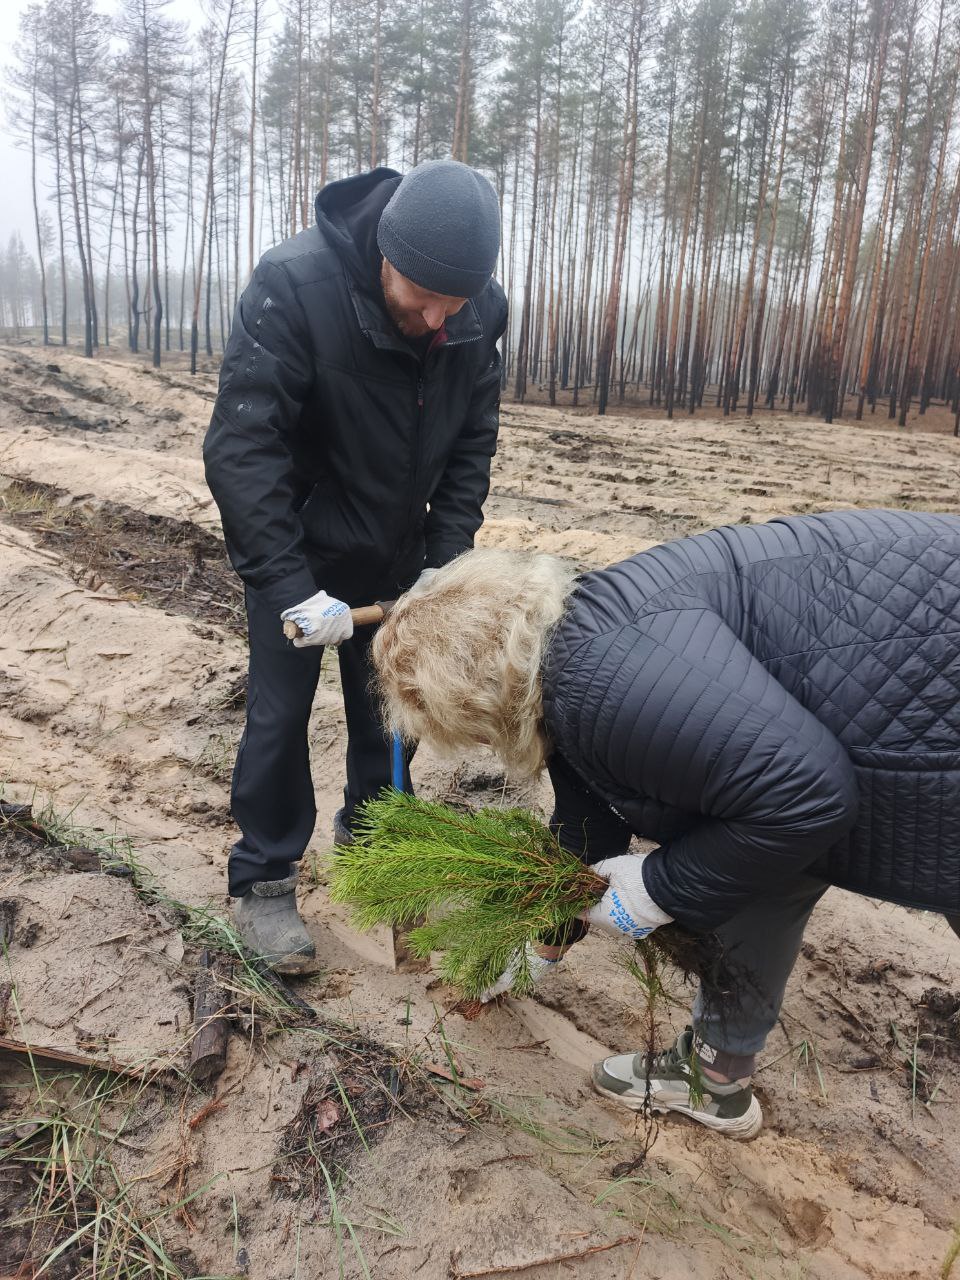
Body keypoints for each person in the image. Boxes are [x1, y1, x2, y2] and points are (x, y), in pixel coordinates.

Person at [371, 509, 960, 1138]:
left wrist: (656, 887)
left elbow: (804, 801)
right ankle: (716, 1076)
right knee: (757, 864)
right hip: (890, 695)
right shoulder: (573, 648)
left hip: (924, 696)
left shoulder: (610, 685)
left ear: (470, 700)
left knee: (761, 834)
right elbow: (587, 825)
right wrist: (529, 950)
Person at [203, 160, 508, 973]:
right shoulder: (296, 285)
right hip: (300, 551)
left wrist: (442, 573)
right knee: (279, 719)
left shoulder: (478, 317)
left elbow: (472, 446)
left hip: (401, 560)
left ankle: (378, 863)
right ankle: (265, 880)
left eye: (457, 299)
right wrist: (287, 585)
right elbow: (243, 444)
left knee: (390, 725)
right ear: (385, 251)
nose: (438, 315)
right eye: (421, 293)